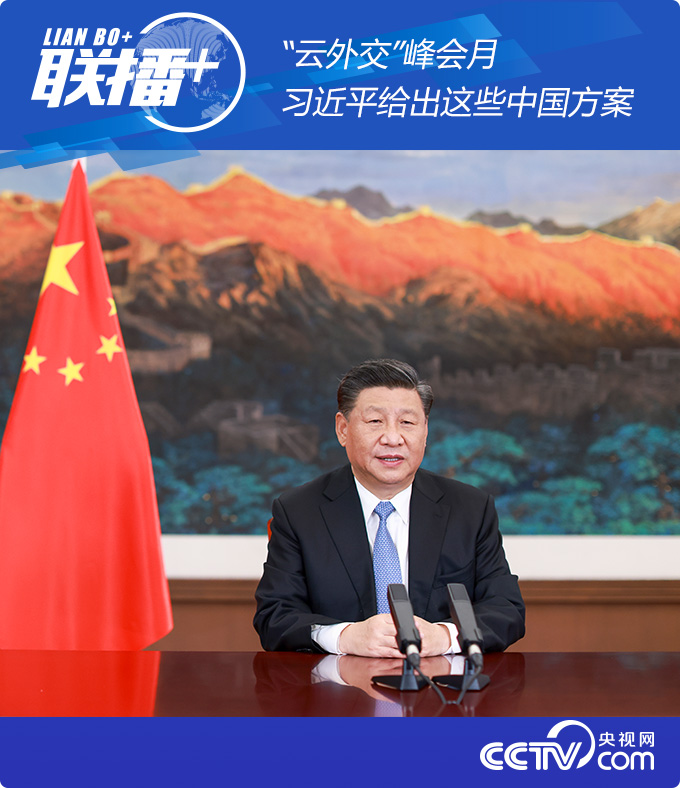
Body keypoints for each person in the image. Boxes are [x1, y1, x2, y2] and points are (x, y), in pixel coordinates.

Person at [254, 358, 525, 657]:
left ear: (425, 431)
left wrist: (445, 636)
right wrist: (345, 636)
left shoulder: (471, 509)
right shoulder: (298, 512)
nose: (393, 438)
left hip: (441, 684)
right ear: (343, 429)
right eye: (375, 422)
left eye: (407, 423)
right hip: (337, 684)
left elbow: (506, 610)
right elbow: (274, 617)